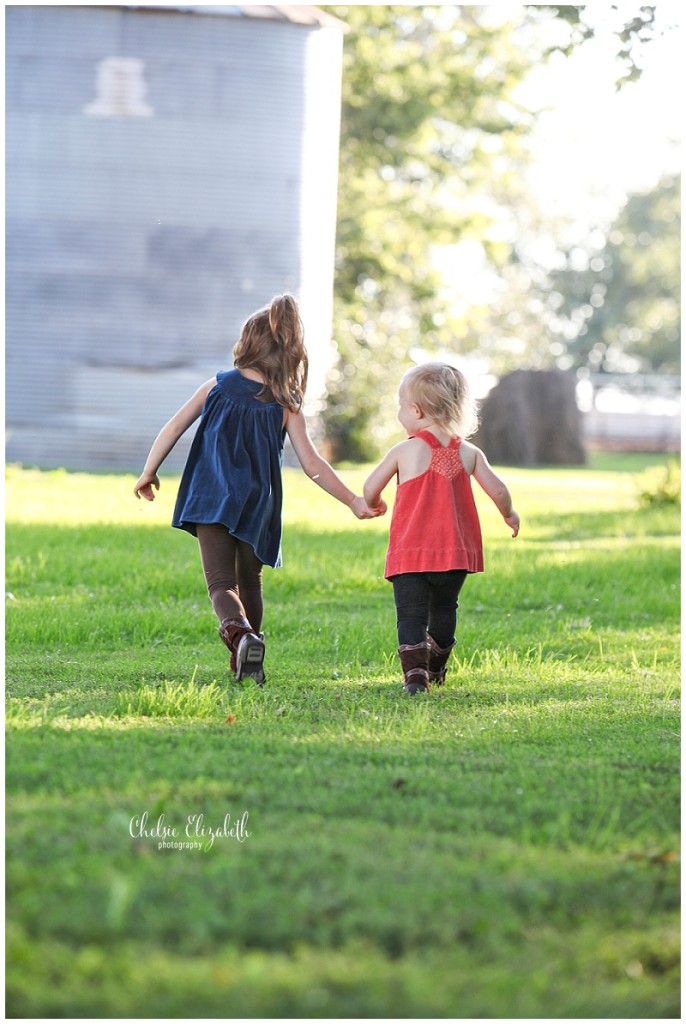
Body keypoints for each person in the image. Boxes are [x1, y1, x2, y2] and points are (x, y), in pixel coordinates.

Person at [134, 294, 385, 685]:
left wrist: (148, 471)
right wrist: (353, 500)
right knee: (250, 581)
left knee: (221, 584)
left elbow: (173, 426)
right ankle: (250, 660)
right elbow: (313, 464)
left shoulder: (215, 387)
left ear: (247, 344)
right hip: (257, 505)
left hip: (210, 496)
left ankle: (241, 636)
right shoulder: (287, 402)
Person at [363, 361, 519, 695]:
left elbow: (369, 487)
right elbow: (499, 490)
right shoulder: (469, 451)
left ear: (416, 411)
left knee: (411, 615)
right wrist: (509, 513)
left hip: (411, 553)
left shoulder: (404, 450)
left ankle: (416, 676)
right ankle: (437, 665)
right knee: (445, 609)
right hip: (454, 553)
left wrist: (374, 502)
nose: (400, 413)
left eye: (401, 407)